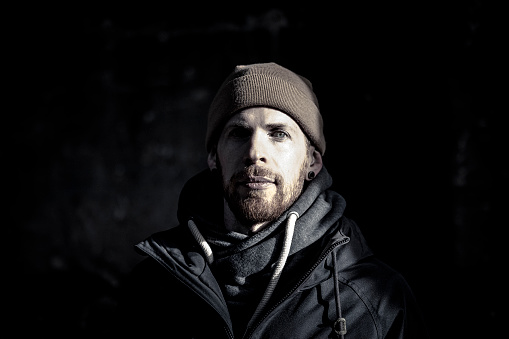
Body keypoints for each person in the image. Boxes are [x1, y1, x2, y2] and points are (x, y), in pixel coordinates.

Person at [115, 62, 429, 338]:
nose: (255, 153)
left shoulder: (375, 302)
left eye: (278, 133)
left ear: (312, 162)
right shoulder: (149, 290)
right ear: (213, 157)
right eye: (238, 133)